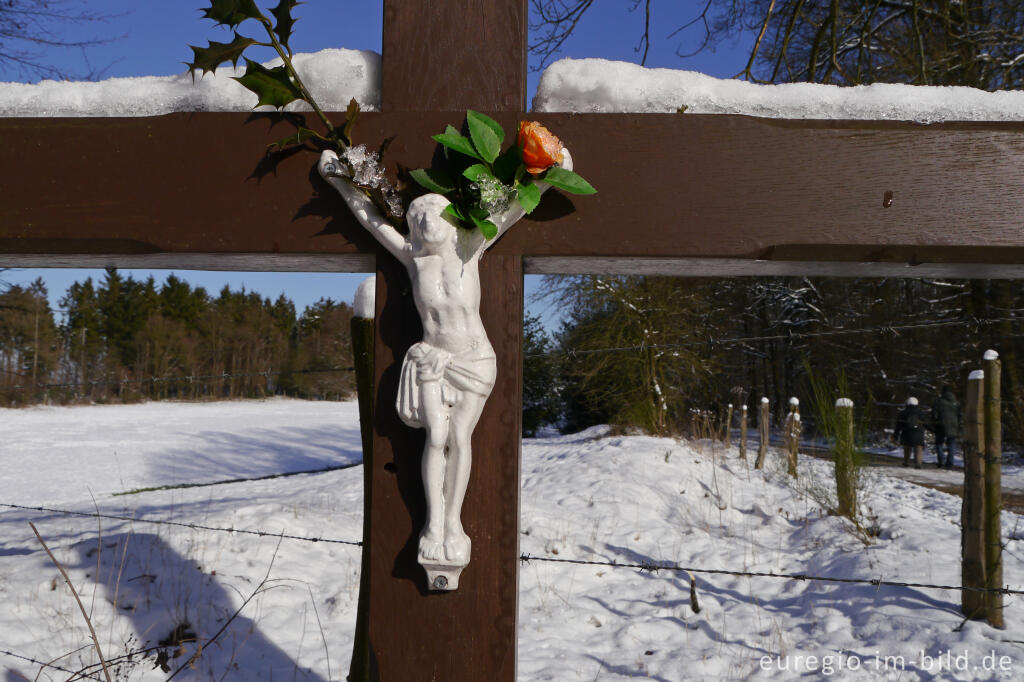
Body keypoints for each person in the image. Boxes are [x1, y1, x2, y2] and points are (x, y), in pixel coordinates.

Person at [318, 146, 572, 569]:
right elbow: (373, 219)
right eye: (417, 216)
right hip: (431, 358)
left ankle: (454, 524)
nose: (423, 221)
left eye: (433, 213)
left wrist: (551, 173)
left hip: (473, 358)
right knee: (435, 438)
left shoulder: (471, 245)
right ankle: (434, 526)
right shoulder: (413, 259)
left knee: (459, 438)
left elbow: (513, 211)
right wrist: (339, 180)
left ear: (453, 220)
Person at [931, 385, 961, 469]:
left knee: (939, 443)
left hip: (941, 425)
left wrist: (934, 423)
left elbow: (934, 415)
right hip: (954, 426)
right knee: (951, 444)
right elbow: (959, 416)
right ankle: (950, 463)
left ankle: (941, 460)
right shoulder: (956, 403)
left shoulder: (938, 402)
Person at [893, 397, 925, 468]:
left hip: (906, 434)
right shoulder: (921, 413)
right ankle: (918, 463)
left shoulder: (903, 413)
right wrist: (934, 430)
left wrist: (896, 435)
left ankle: (906, 462)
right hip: (918, 434)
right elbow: (926, 424)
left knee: (907, 449)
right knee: (918, 449)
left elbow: (898, 425)